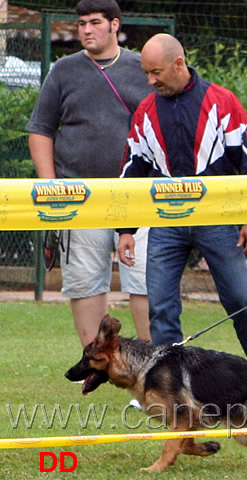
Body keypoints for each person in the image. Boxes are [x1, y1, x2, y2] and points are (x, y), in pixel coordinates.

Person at [117, 33, 247, 401]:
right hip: (166, 220)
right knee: (161, 306)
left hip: (219, 217)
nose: (150, 81)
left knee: (239, 299)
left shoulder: (223, 101)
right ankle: (168, 389)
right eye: (146, 73)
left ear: (179, 64)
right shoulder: (146, 111)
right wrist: (126, 229)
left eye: (156, 72)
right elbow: (131, 170)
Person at [27, 0, 151, 347]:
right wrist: (50, 188)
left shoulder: (142, 67)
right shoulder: (63, 71)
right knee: (84, 282)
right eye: (81, 23)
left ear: (115, 25)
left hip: (137, 195)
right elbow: (41, 130)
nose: (85, 29)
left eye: (95, 22)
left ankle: (155, 370)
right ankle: (99, 366)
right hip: (78, 194)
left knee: (144, 279)